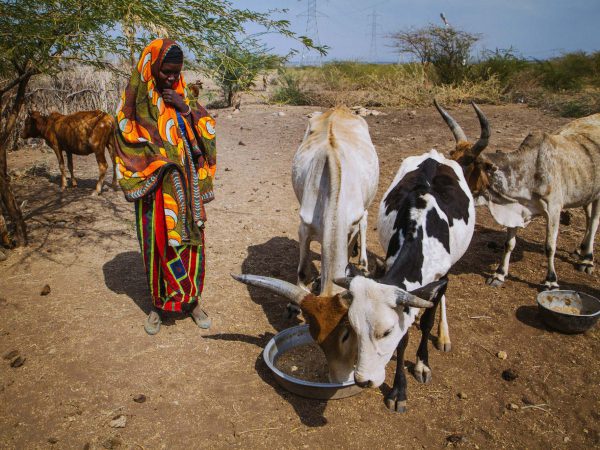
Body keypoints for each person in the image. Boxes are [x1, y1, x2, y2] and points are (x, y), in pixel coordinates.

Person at [114, 38, 216, 335]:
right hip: (155, 189)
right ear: (153, 67)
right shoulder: (135, 102)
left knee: (191, 242)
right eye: (166, 72)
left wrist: (185, 109)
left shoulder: (184, 96)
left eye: (177, 72)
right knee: (156, 246)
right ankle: (158, 305)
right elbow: (123, 134)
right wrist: (156, 159)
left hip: (185, 186)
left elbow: (207, 131)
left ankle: (192, 302)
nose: (172, 77)